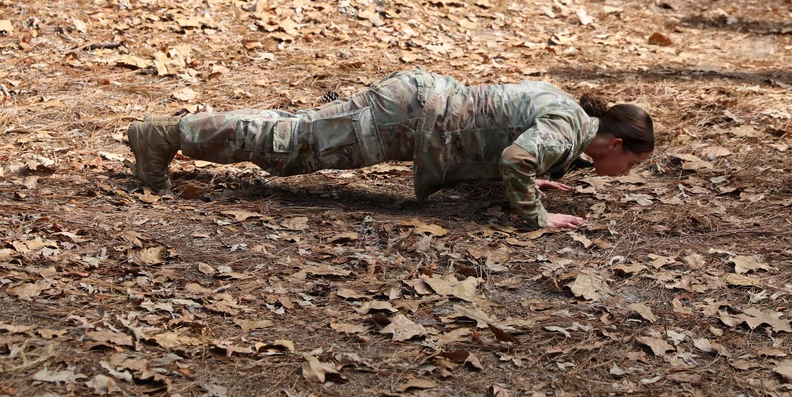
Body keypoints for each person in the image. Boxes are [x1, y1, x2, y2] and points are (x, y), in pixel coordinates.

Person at [127, 69, 655, 231]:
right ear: (614, 142)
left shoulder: (567, 119)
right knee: (292, 146)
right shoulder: (568, 128)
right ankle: (166, 135)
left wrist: (524, 176)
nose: (622, 171)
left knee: (297, 133)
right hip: (404, 118)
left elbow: (510, 146)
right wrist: (536, 215)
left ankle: (173, 133)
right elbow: (516, 157)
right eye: (628, 162)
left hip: (413, 108)